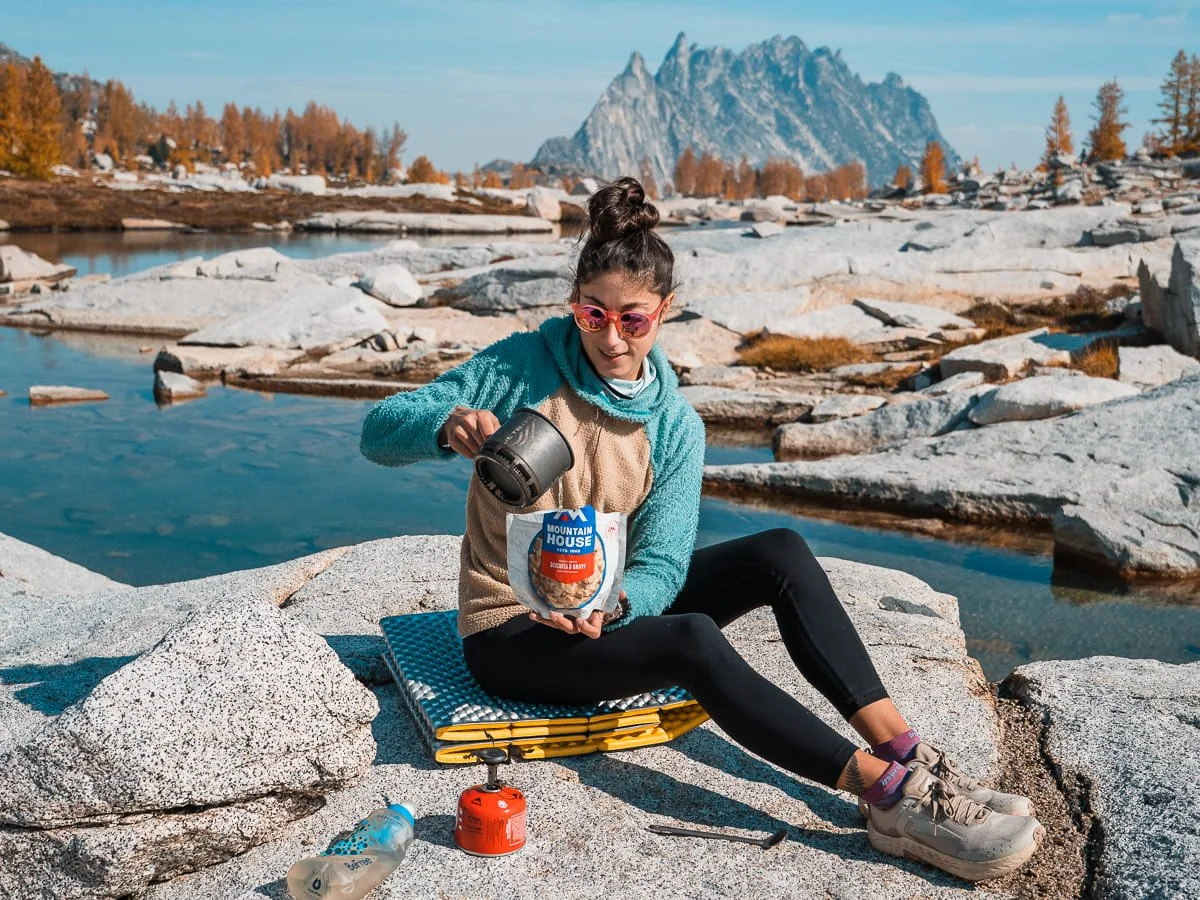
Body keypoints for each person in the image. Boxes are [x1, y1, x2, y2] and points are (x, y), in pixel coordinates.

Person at [360, 177, 1044, 883]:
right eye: (593, 315)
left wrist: (619, 603)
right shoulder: (518, 366)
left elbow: (661, 562)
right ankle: (890, 798)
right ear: (575, 306)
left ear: (664, 312)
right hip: (510, 634)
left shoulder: (675, 424)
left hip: (603, 610)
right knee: (694, 641)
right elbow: (377, 433)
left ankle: (906, 754)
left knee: (780, 551)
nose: (611, 337)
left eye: (634, 320)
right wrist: (445, 426)